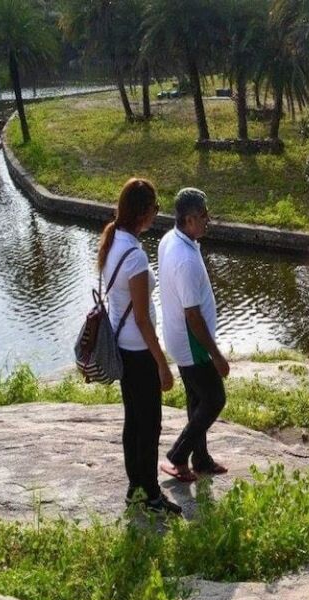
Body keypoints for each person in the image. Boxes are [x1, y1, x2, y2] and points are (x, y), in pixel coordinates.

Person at [98, 178, 179, 514]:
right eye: (155, 208)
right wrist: (162, 364)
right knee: (149, 425)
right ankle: (151, 495)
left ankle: (136, 489)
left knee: (133, 421)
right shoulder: (135, 257)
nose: (156, 214)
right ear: (143, 212)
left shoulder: (112, 240)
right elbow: (143, 320)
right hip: (139, 352)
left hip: (122, 348)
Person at [158, 188, 229, 482]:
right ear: (188, 220)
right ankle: (178, 455)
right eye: (203, 215)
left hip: (179, 337)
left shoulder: (171, 239)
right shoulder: (185, 259)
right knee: (214, 399)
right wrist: (216, 355)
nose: (208, 219)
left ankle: (200, 459)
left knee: (197, 399)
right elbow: (193, 315)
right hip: (191, 343)